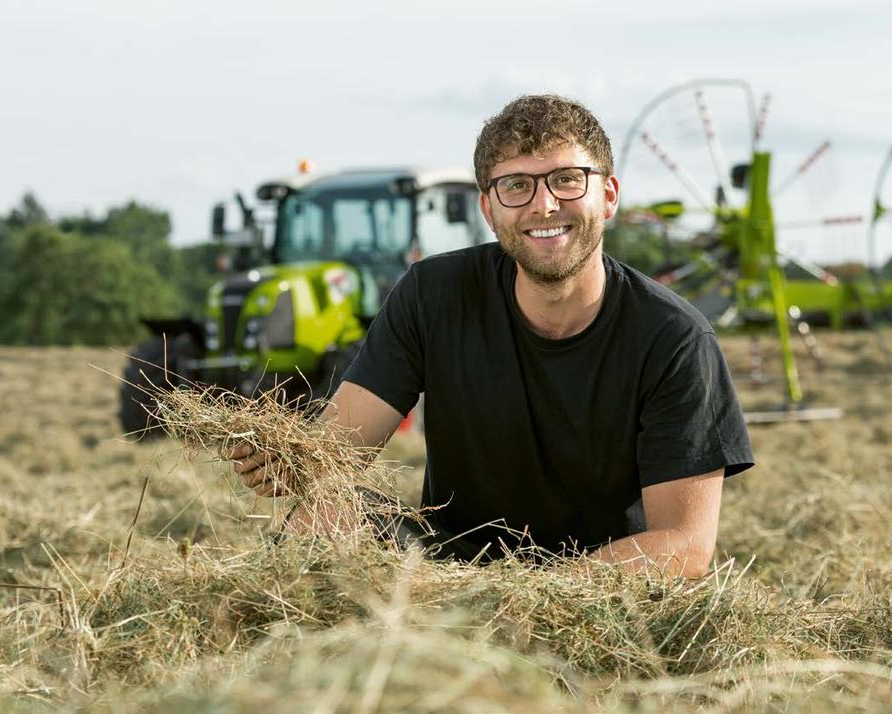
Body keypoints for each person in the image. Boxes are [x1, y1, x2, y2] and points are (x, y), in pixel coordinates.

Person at [232, 94, 754, 576]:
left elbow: (683, 542)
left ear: (609, 195)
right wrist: (291, 463)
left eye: (567, 179)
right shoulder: (433, 294)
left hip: (602, 595)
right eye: (516, 185)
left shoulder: (674, 338)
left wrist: (536, 598)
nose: (544, 204)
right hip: (448, 567)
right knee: (329, 511)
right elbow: (339, 448)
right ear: (488, 208)